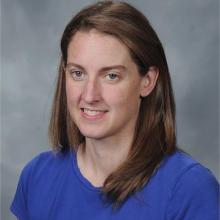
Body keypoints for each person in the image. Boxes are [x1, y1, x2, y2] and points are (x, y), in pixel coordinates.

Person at [10, 1, 219, 219]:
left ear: (147, 81)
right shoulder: (37, 177)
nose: (90, 95)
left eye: (111, 76)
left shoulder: (189, 189)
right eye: (78, 73)